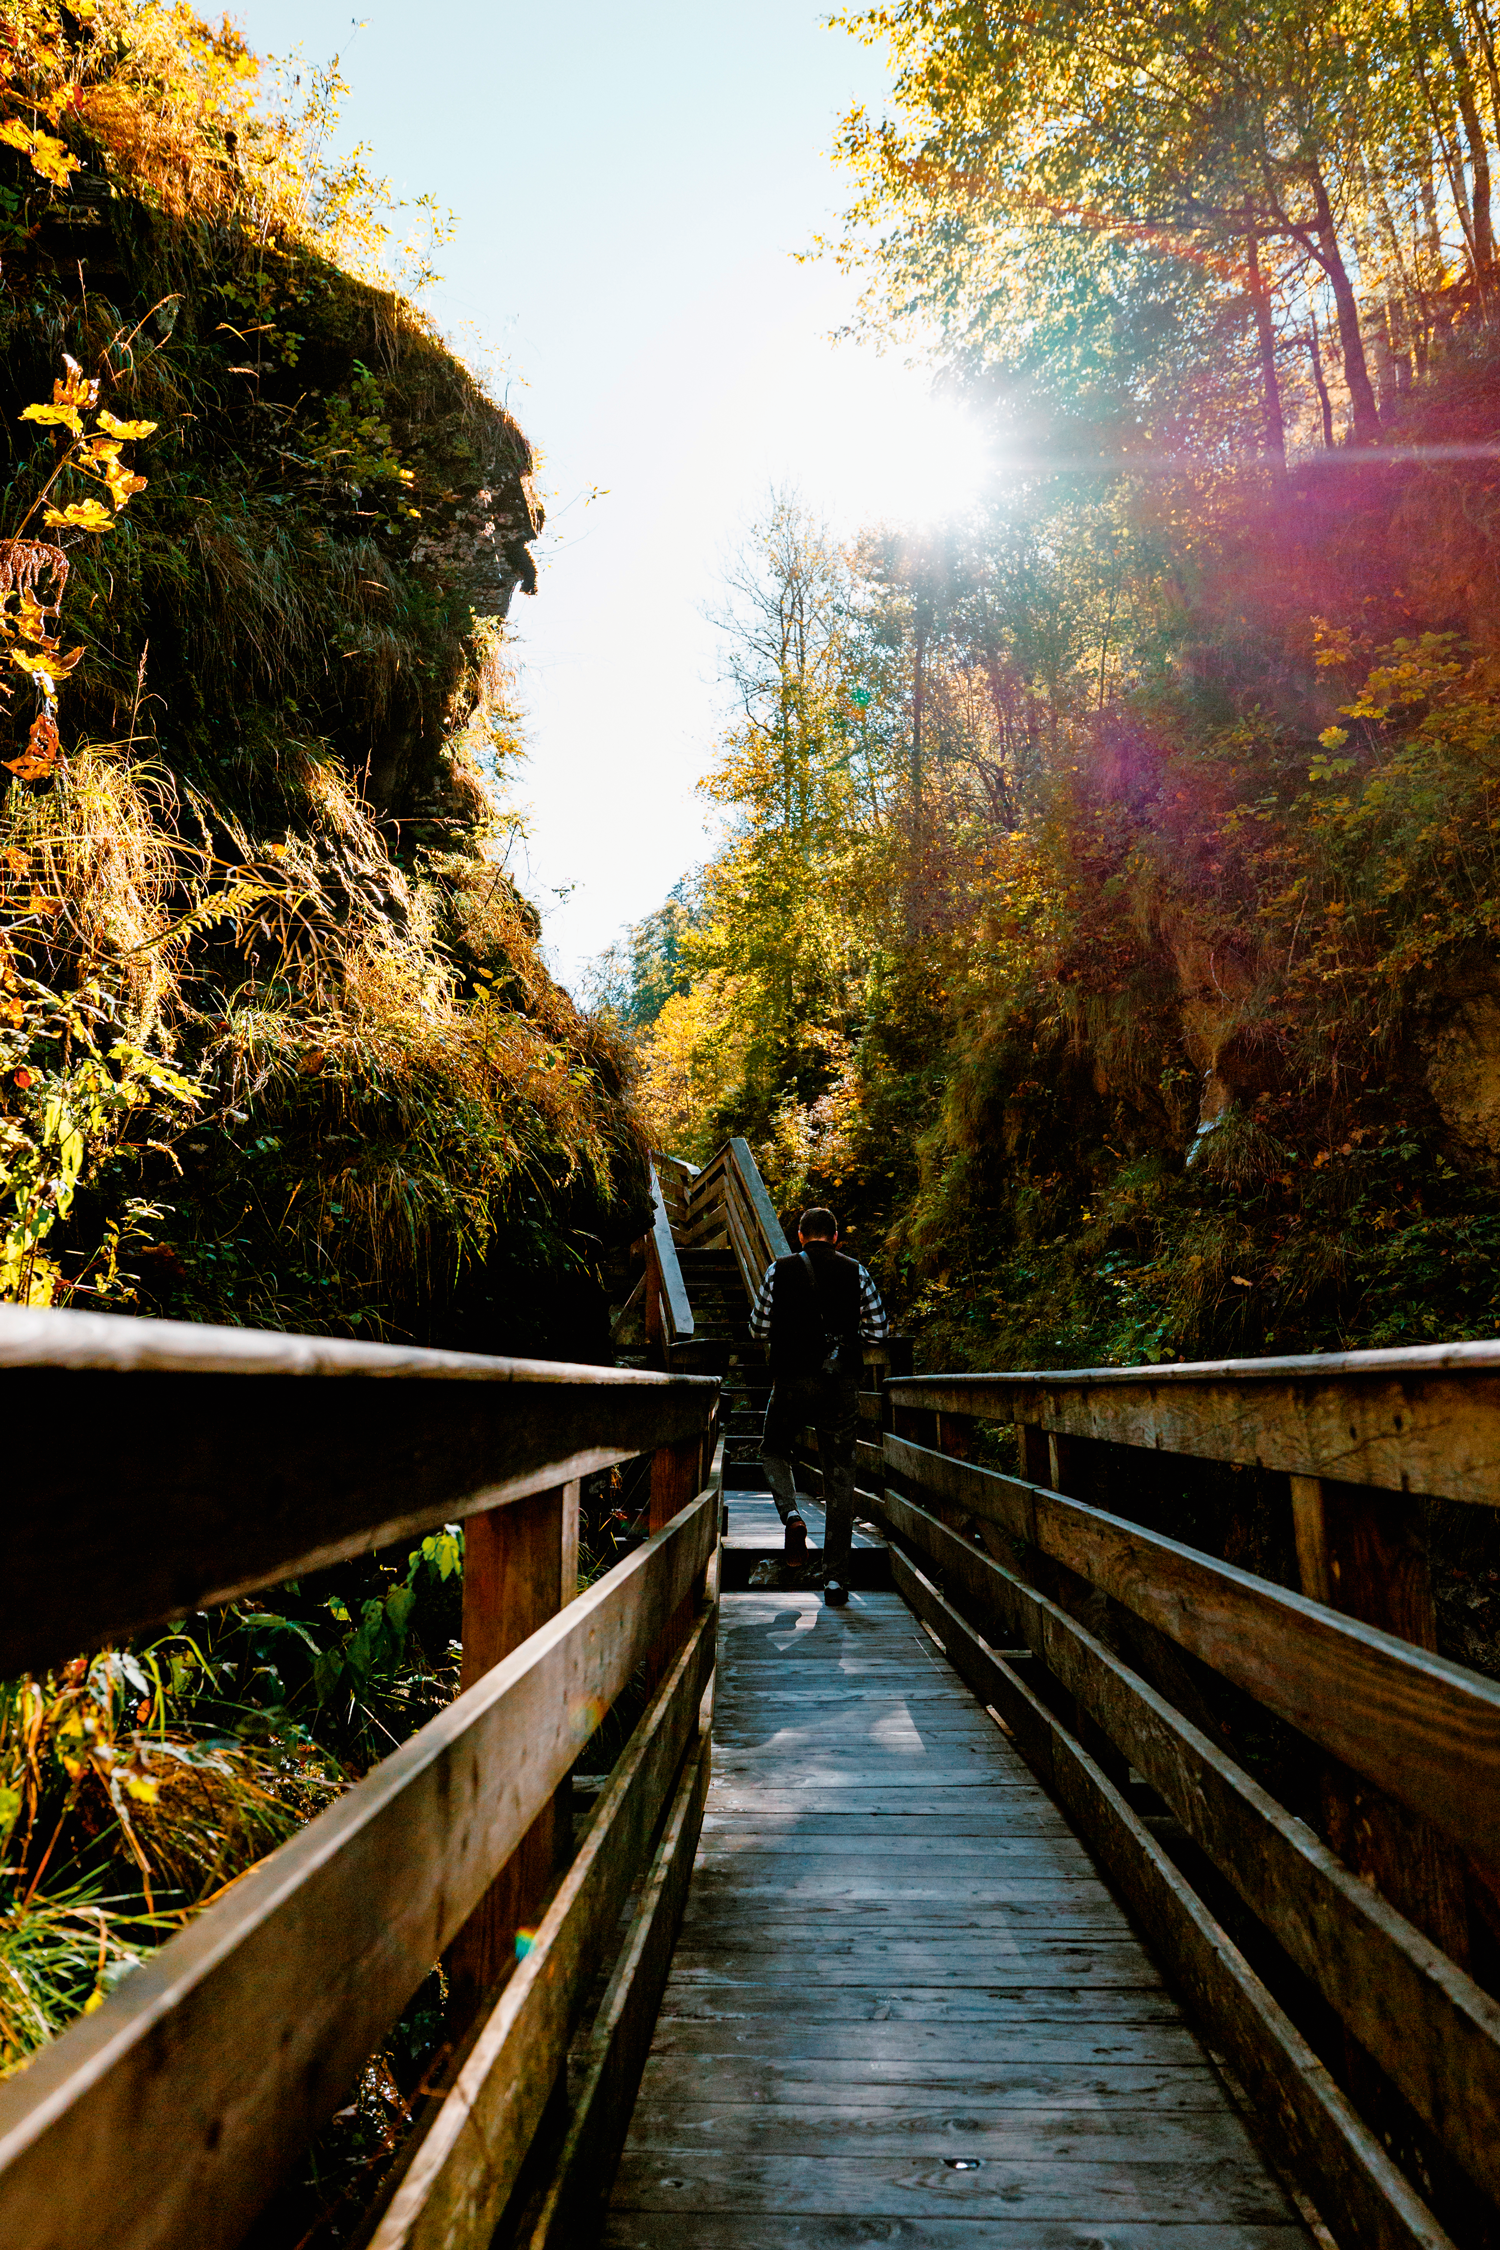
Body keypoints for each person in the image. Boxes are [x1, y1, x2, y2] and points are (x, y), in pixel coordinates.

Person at [748, 1206, 887, 1607]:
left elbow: (757, 1327)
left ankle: (792, 1516)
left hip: (792, 1379)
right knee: (840, 1475)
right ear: (837, 1237)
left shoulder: (780, 1269)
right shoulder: (855, 1270)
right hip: (839, 1382)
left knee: (774, 1448)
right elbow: (878, 1332)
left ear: (800, 1236)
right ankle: (835, 1581)